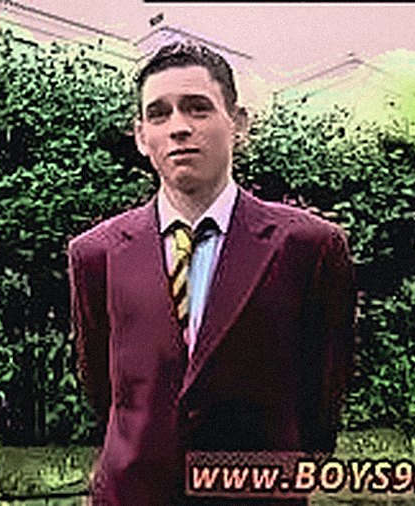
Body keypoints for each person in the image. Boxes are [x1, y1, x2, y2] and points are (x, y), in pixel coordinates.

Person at [67, 42, 356, 505]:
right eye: (158, 114)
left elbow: (322, 391)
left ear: (238, 123)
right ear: (141, 136)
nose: (178, 127)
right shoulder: (95, 254)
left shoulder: (309, 247)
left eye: (197, 108)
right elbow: (105, 389)